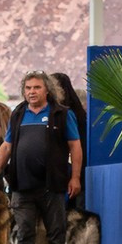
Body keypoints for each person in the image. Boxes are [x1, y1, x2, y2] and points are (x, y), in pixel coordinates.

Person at [0, 70, 82, 244]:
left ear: (47, 89)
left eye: (37, 87)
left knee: (56, 233)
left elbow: (75, 146)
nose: (32, 92)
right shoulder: (18, 113)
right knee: (25, 232)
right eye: (28, 88)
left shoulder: (62, 113)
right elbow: (7, 146)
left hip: (53, 185)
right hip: (22, 185)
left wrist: (75, 177)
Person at [52, 72, 88, 209]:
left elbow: (76, 147)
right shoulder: (80, 116)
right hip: (77, 174)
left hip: (70, 174)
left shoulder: (66, 116)